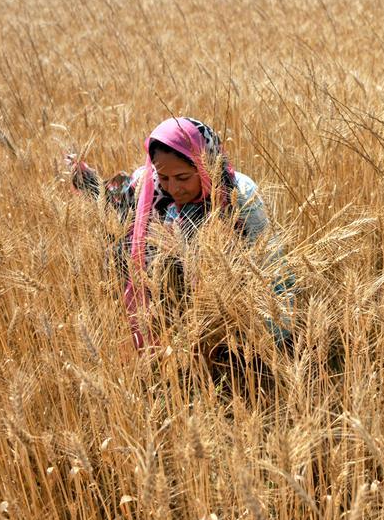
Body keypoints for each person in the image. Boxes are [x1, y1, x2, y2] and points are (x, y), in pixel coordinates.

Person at [67, 117, 294, 360]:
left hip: (238, 315)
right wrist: (86, 181)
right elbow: (116, 204)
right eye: (164, 177)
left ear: (205, 165)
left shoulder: (240, 195)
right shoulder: (149, 185)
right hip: (177, 313)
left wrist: (276, 342)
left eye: (183, 178)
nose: (173, 188)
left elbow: (269, 266)